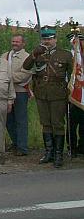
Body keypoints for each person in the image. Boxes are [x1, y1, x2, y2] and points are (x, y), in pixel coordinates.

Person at [23, 27, 73, 168]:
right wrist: (33, 54)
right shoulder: (38, 53)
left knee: (57, 123)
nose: (47, 41)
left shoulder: (65, 55)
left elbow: (73, 75)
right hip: (41, 93)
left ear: (55, 39)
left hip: (58, 94)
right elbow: (26, 66)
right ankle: (49, 152)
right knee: (45, 123)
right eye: (45, 39)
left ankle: (58, 154)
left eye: (50, 39)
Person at [6, 34, 32, 156]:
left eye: (17, 41)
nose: (14, 43)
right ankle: (15, 142)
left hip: (20, 91)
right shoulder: (6, 55)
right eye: (13, 41)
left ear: (23, 44)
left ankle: (22, 147)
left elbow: (25, 75)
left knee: (21, 120)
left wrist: (7, 78)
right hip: (6, 92)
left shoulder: (27, 57)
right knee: (8, 119)